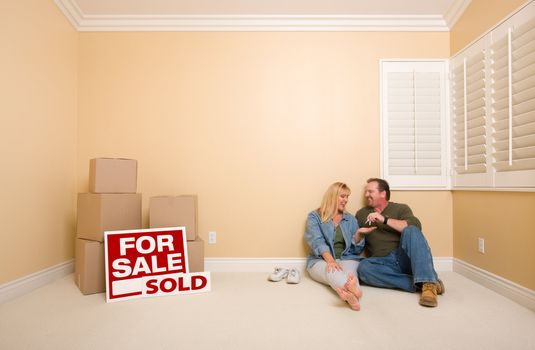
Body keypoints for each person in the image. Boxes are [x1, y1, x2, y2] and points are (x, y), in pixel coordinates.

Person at [355, 178, 444, 307]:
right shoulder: (361, 214)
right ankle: (425, 283)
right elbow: (356, 244)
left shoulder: (400, 208)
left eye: (370, 191)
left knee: (411, 230)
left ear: (383, 193)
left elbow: (415, 227)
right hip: (382, 262)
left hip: (403, 257)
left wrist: (384, 219)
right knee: (363, 269)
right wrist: (359, 233)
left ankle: (429, 286)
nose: (366, 195)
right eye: (365, 192)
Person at [304, 182, 365, 311]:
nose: (346, 200)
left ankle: (352, 298)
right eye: (343, 196)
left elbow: (356, 250)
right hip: (321, 260)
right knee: (332, 272)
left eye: (347, 197)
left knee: (350, 275)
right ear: (333, 196)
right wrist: (330, 261)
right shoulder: (314, 217)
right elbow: (317, 241)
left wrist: (358, 236)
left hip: (346, 258)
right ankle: (357, 293)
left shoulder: (351, 220)